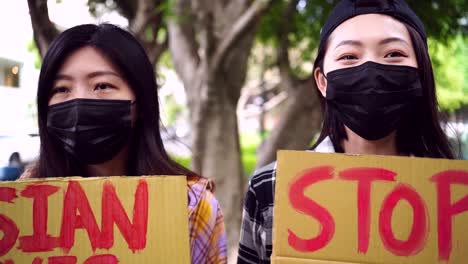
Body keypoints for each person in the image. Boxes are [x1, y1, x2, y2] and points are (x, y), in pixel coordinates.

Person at [237, 0, 454, 263]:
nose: (371, 70)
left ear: (420, 72)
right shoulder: (271, 185)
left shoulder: (454, 198)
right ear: (322, 81)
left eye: (393, 54)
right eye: (349, 56)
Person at [20, 23, 227, 264]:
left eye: (102, 86)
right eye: (62, 88)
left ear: (140, 101)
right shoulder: (23, 202)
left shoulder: (192, 205)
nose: (79, 101)